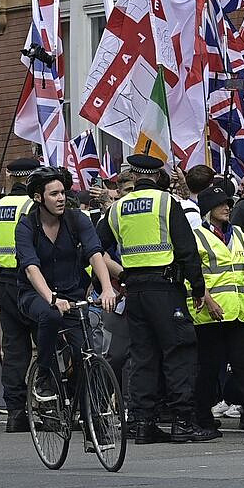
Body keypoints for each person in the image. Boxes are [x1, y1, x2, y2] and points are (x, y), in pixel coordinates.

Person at [101, 155, 213, 444]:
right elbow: (187, 249)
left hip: (135, 291)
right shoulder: (166, 203)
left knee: (143, 358)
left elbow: (94, 248)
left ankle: (144, 424)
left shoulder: (117, 208)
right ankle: (182, 422)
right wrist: (198, 288)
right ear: (156, 175)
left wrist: (115, 279)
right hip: (165, 289)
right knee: (178, 352)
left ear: (135, 176)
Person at [16, 169, 121, 421]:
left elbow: (95, 253)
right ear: (39, 198)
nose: (61, 198)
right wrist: (51, 298)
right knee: (50, 316)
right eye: (54, 194)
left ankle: (89, 417)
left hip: (73, 292)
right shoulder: (27, 225)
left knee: (84, 352)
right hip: (37, 295)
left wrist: (107, 287)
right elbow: (31, 268)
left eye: (63, 192)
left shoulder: (76, 219)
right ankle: (44, 378)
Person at [190, 182, 244, 436]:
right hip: (210, 312)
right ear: (208, 210)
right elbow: (195, 274)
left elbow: (243, 269)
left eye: (228, 204)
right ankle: (202, 417)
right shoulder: (197, 237)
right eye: (220, 204)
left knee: (243, 364)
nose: (226, 208)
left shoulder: (238, 234)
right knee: (210, 368)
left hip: (238, 309)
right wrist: (208, 300)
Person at [0, 158, 40, 431]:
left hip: (4, 283)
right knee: (45, 345)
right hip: (34, 281)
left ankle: (15, 412)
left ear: (11, 178)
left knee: (13, 349)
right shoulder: (35, 207)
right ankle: (43, 406)